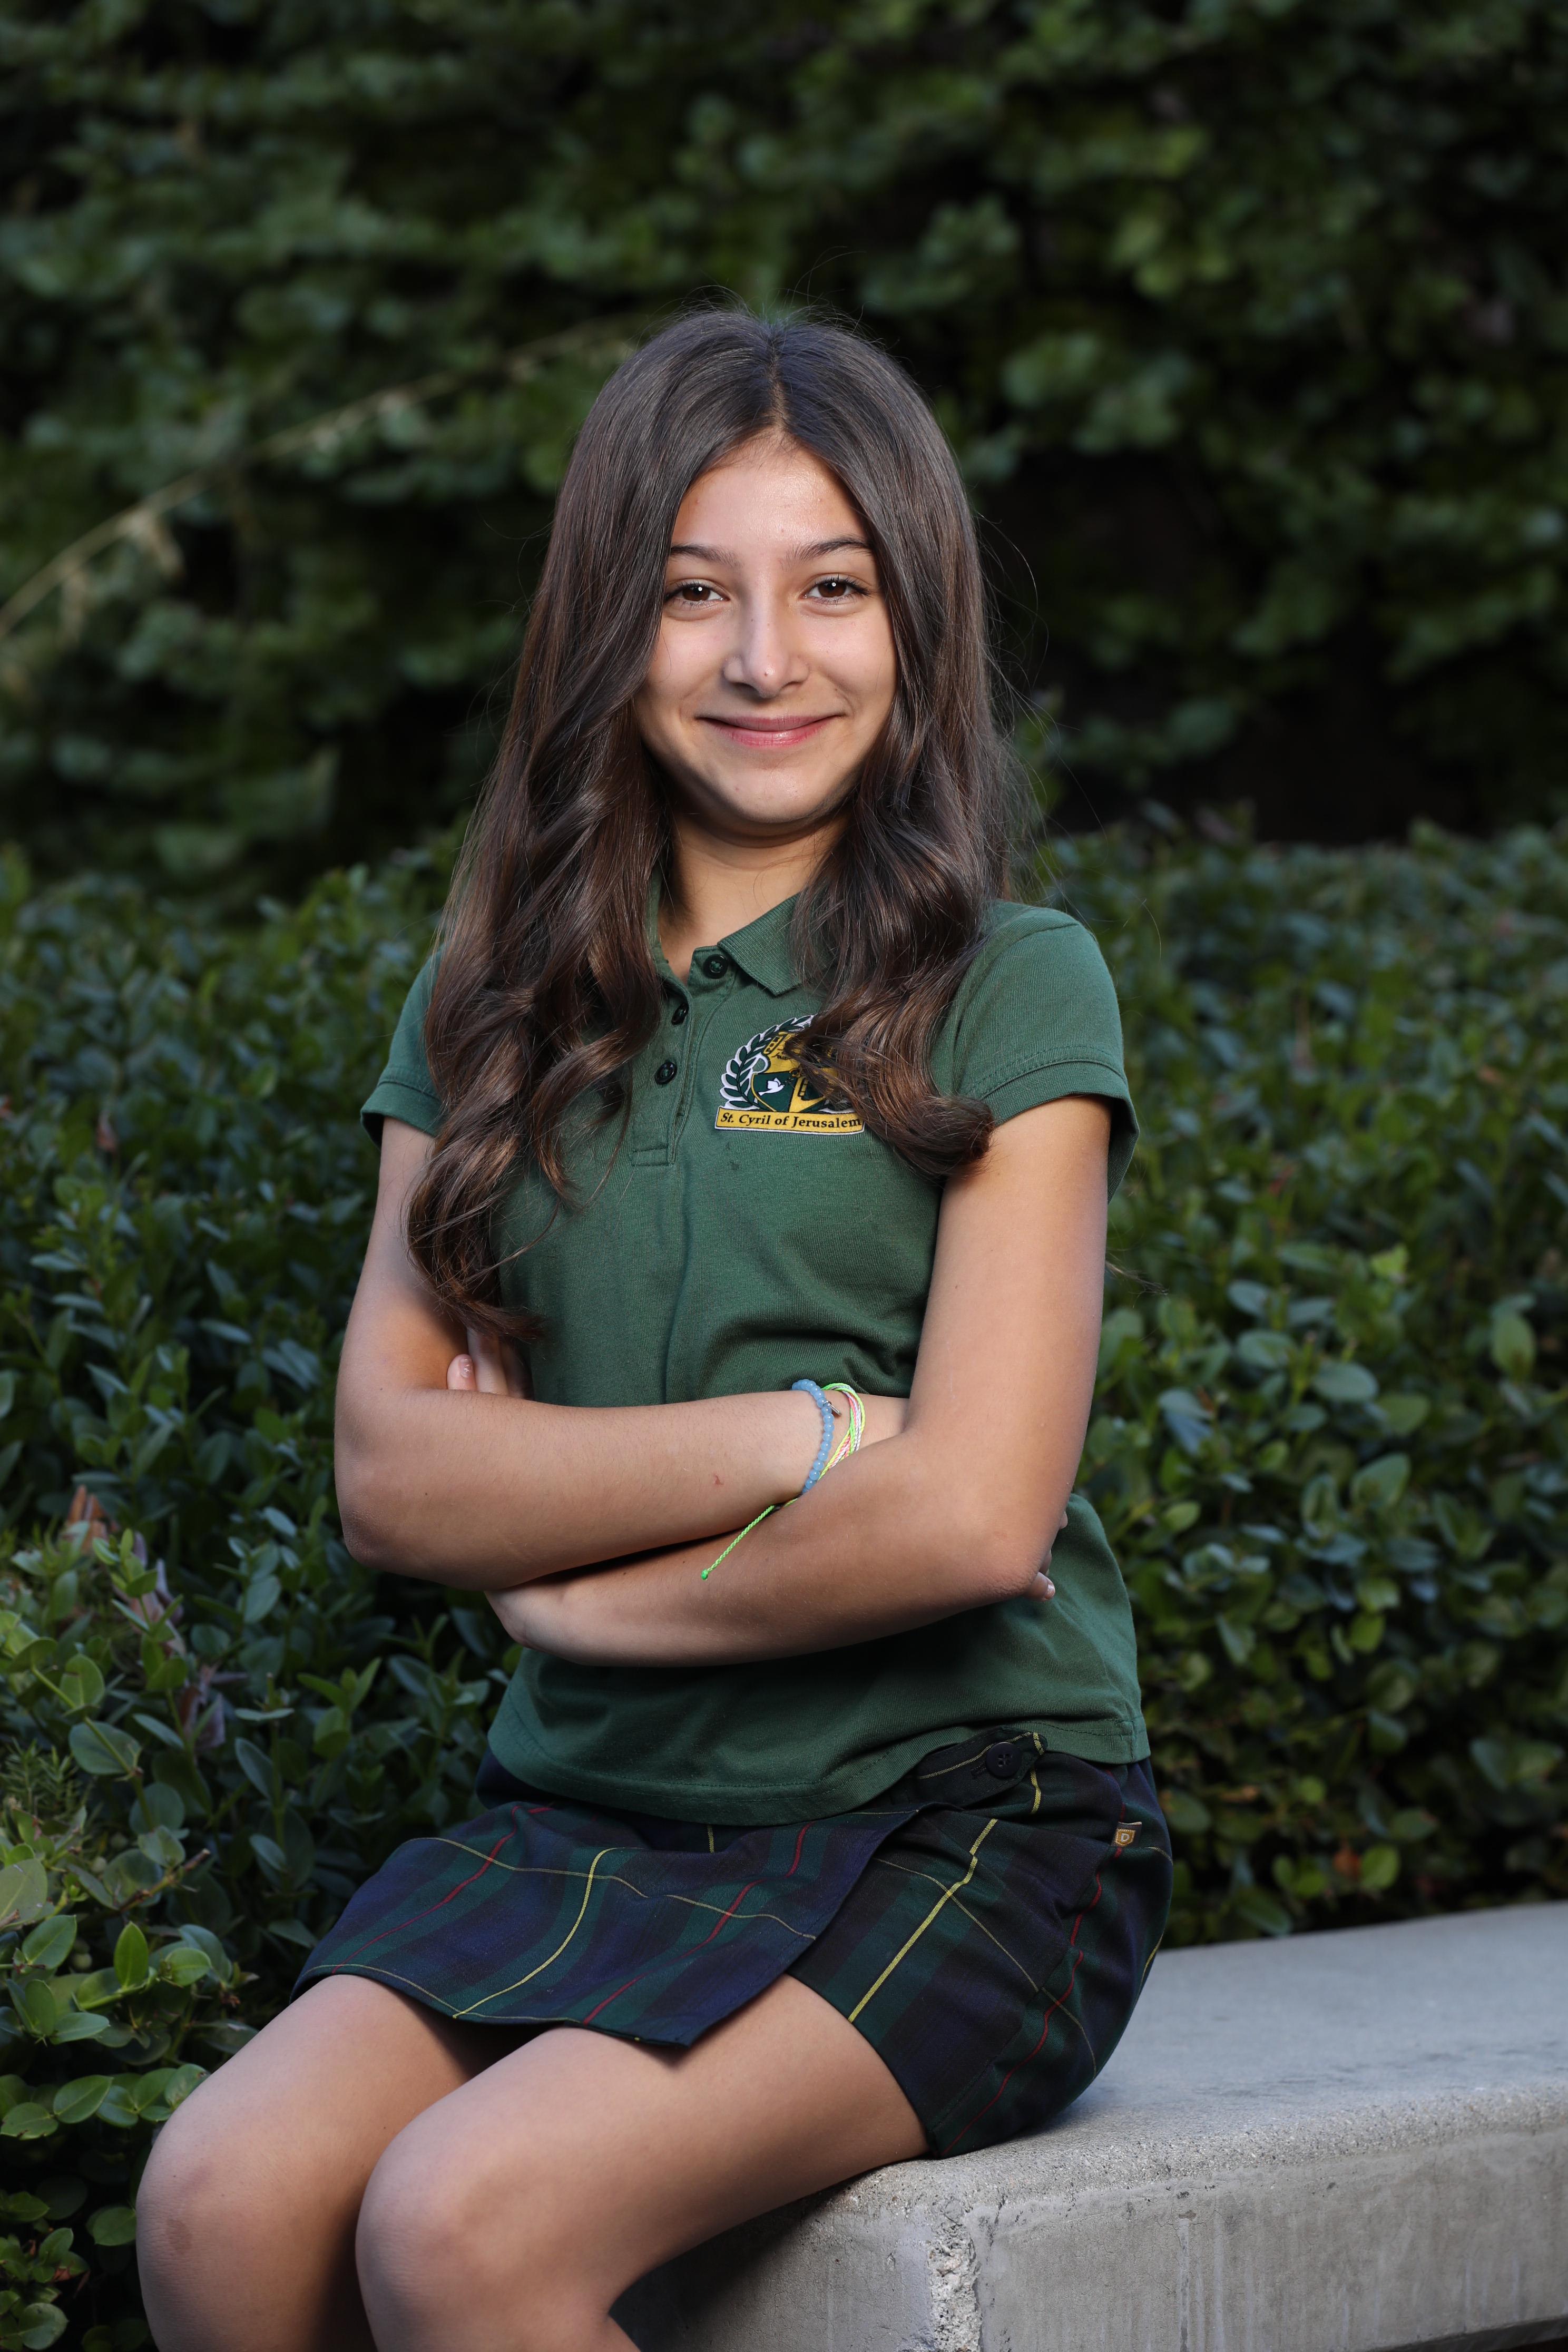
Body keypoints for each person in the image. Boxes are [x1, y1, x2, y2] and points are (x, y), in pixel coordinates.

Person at [137, 309, 1171, 2352]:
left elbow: (973, 1518)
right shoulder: (493, 1001)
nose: (766, 658)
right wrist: (807, 1434)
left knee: (463, 2229)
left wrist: (586, 1597)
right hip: (595, 1809)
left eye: (833, 588)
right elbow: (394, 1473)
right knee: (217, 2202)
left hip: (973, 1817)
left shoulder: (1012, 984)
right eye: (697, 592)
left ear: (919, 616)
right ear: (608, 623)